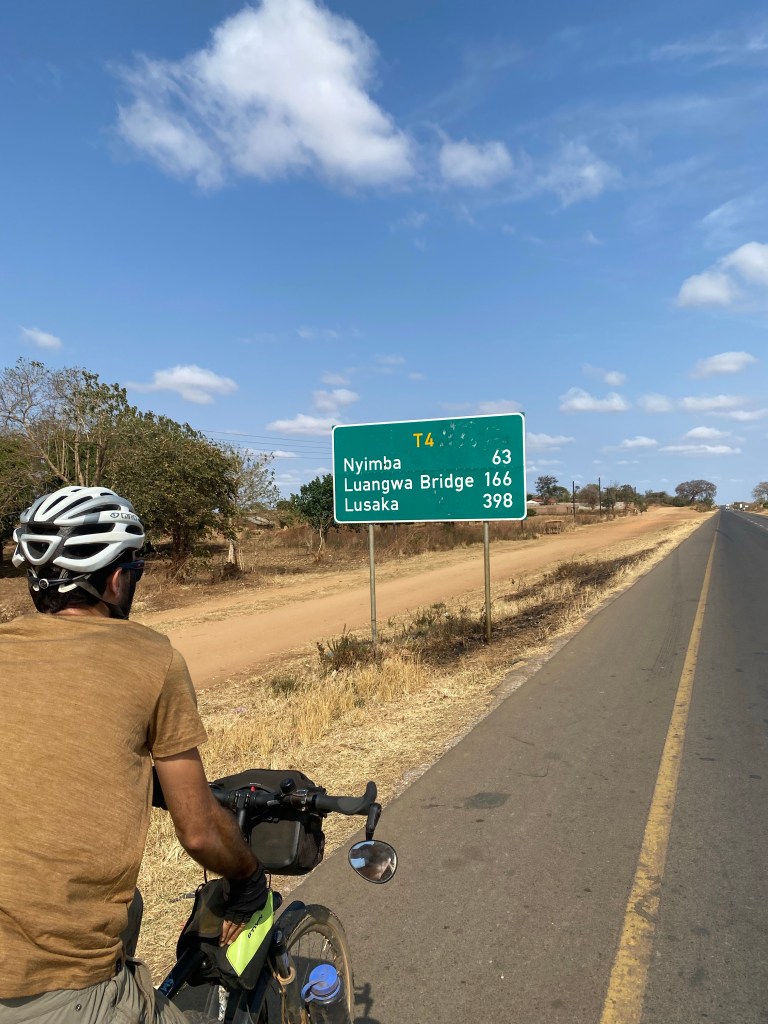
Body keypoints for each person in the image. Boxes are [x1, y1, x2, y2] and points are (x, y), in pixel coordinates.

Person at [0, 486, 268, 1023]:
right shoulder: (153, 658)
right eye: (136, 571)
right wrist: (248, 880)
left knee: (133, 907)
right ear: (118, 579)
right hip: (51, 987)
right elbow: (199, 832)